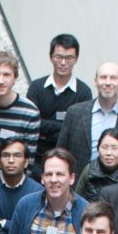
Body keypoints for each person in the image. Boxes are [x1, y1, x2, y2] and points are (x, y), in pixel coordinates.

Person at [0, 149, 86, 234]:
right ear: (42, 178)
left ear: (72, 178)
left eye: (60, 174)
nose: (53, 180)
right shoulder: (26, 205)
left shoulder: (84, 212)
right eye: (48, 174)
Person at [57, 61, 118, 176]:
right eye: (103, 77)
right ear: (95, 81)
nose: (108, 82)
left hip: (117, 186)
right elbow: (61, 152)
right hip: (78, 184)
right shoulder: (75, 112)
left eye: (113, 78)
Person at [28, 33, 92, 161]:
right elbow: (32, 123)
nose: (63, 63)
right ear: (51, 57)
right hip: (36, 157)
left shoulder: (84, 92)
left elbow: (78, 131)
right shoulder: (36, 87)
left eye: (69, 58)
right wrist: (64, 125)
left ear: (76, 59)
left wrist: (46, 132)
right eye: (59, 57)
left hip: (66, 159)